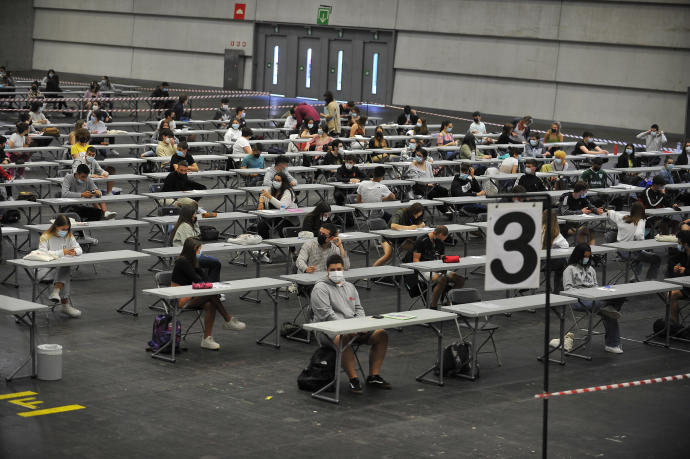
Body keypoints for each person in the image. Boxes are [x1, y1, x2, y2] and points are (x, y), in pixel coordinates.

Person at [310, 254, 392, 392]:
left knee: (381, 335)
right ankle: (353, 379)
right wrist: (348, 329)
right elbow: (327, 315)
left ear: (343, 269)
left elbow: (359, 308)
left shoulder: (350, 286)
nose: (336, 272)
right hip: (327, 330)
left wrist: (362, 325)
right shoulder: (320, 288)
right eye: (333, 269)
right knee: (343, 338)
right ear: (327, 270)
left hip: (353, 327)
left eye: (339, 269)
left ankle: (374, 376)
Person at [171, 238, 246, 351]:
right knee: (210, 294)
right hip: (179, 298)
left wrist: (211, 285)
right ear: (192, 250)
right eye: (198, 249)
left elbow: (205, 279)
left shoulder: (192, 261)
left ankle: (207, 339)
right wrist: (211, 286)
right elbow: (197, 280)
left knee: (211, 303)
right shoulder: (182, 262)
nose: (200, 252)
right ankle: (228, 319)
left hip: (189, 294)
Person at [562, 243, 624, 354]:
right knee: (608, 308)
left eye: (588, 256)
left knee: (619, 297)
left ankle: (612, 344)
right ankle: (612, 340)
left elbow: (595, 285)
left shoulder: (591, 269)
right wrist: (584, 294)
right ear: (578, 255)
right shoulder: (569, 270)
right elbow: (568, 290)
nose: (587, 258)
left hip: (594, 298)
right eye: (585, 256)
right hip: (578, 300)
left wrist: (601, 291)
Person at [406, 226, 465, 308]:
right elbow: (415, 260)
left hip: (437, 268)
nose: (442, 241)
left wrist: (453, 259)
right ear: (437, 234)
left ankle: (448, 299)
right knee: (442, 279)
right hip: (423, 270)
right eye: (441, 239)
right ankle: (433, 306)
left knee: (460, 279)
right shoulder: (421, 241)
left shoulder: (440, 242)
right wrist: (428, 267)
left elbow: (442, 257)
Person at [39, 214, 83, 318]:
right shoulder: (45, 237)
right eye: (62, 229)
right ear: (56, 226)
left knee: (64, 266)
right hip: (45, 270)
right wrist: (62, 252)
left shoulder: (69, 236)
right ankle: (65, 304)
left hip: (59, 269)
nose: (65, 231)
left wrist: (74, 252)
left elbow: (79, 249)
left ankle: (56, 291)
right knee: (65, 268)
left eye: (67, 229)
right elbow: (43, 254)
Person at [607, 202, 660, 280]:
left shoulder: (622, 217)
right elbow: (638, 235)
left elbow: (612, 213)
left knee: (642, 254)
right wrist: (641, 242)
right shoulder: (640, 221)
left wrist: (606, 210)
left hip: (620, 251)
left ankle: (635, 276)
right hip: (632, 252)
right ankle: (649, 280)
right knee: (656, 259)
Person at [256, 172, 297, 255]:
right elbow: (263, 194)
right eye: (274, 180)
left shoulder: (288, 192)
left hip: (286, 217)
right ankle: (265, 250)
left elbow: (282, 206)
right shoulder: (272, 189)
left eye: (278, 180)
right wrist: (261, 202)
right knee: (261, 225)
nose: (276, 182)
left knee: (283, 229)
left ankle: (293, 252)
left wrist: (269, 197)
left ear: (283, 182)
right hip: (274, 216)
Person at [374, 202, 425, 267]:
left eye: (418, 216)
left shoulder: (416, 217)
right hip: (388, 238)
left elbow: (422, 223)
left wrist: (420, 225)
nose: (416, 217)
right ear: (412, 210)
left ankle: (409, 267)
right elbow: (393, 226)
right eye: (416, 214)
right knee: (388, 255)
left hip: (403, 240)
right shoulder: (400, 213)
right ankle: (370, 273)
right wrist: (409, 228)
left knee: (417, 249)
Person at [541, 210, 568, 293]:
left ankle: (548, 288)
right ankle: (558, 290)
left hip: (538, 264)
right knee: (562, 262)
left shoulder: (537, 229)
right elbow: (566, 245)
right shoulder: (556, 233)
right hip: (547, 264)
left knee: (550, 259)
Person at [668, 230, 690, 324]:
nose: (678, 245)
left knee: (672, 294)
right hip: (687, 285)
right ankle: (675, 324)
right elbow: (671, 260)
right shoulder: (684, 252)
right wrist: (674, 266)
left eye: (679, 242)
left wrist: (686, 271)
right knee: (670, 294)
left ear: (685, 243)